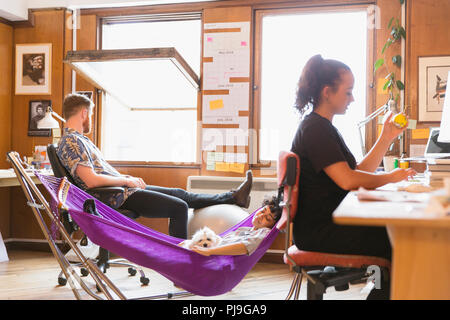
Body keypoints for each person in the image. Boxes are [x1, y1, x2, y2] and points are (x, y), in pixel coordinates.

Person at [290, 54, 416, 300]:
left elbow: (356, 172)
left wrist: (386, 137)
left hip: (328, 223)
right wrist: (390, 177)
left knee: (395, 235)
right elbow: (347, 180)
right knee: (398, 240)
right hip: (320, 230)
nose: (353, 98)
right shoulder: (315, 129)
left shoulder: (323, 127)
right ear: (327, 92)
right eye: (348, 92)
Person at [57, 93, 253, 239]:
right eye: (90, 113)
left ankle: (233, 197)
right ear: (84, 113)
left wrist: (127, 181)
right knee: (179, 207)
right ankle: (181, 265)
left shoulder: (80, 140)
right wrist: (126, 180)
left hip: (120, 190)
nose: (90, 118)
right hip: (113, 197)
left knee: (180, 194)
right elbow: (90, 181)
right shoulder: (71, 142)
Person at [186, 196, 281, 256]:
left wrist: (210, 251)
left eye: (267, 218)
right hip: (209, 252)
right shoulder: (243, 229)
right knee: (182, 245)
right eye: (262, 211)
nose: (260, 216)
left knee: (178, 252)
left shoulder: (263, 233)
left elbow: (244, 247)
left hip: (216, 259)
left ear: (272, 226)